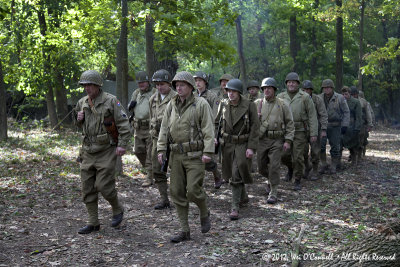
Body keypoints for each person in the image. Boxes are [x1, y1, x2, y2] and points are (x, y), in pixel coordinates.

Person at [157, 71, 214, 243]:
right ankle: (184, 230)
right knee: (176, 192)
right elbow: (164, 129)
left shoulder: (201, 104)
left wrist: (208, 152)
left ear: (190, 87)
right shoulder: (171, 105)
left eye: (182, 85)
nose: (179, 88)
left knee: (193, 190)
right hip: (176, 155)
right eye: (177, 85)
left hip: (195, 155)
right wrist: (161, 149)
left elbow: (208, 129)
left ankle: (204, 211)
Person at [74, 70, 131, 234]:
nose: (87, 88)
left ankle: (117, 208)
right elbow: (80, 126)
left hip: (106, 150)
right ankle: (93, 222)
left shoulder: (111, 101)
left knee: (104, 185)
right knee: (87, 187)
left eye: (90, 85)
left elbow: (124, 124)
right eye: (84, 85)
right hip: (87, 150)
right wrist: (78, 120)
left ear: (98, 85)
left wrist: (122, 145)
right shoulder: (82, 103)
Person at [215, 78, 259, 219]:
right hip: (226, 144)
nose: (231, 94)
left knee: (236, 172)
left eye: (234, 91)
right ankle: (243, 196)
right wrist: (215, 138)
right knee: (231, 173)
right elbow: (217, 123)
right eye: (228, 91)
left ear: (239, 92)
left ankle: (234, 206)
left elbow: (255, 127)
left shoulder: (249, 105)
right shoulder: (223, 104)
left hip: (242, 143)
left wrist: (251, 147)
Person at [255, 77, 294, 204]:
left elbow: (290, 123)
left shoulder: (282, 104)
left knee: (274, 166)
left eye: (269, 88)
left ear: (274, 90)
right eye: (264, 88)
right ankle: (271, 180)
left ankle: (274, 192)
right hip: (262, 140)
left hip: (277, 139)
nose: (266, 90)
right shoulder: (257, 104)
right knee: (261, 168)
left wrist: (288, 140)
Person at [277, 72, 318, 191]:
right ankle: (290, 168)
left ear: (298, 84)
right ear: (286, 84)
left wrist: (313, 133)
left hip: (300, 131)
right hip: (285, 131)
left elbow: (312, 115)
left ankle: (297, 179)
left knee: (298, 157)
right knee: (283, 155)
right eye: (289, 82)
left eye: (293, 82)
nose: (291, 84)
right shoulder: (280, 96)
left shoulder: (305, 97)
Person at [149, 69, 177, 209]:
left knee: (175, 169)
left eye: (162, 84)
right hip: (156, 139)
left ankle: (178, 198)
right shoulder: (153, 99)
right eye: (157, 84)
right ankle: (164, 199)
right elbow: (151, 117)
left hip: (172, 140)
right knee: (157, 169)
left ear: (169, 84)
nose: (159, 87)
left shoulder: (176, 98)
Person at [194, 71, 223, 189]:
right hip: (194, 130)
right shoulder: (192, 95)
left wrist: (214, 135)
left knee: (207, 158)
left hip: (208, 129)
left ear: (205, 82)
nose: (197, 83)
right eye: (196, 81)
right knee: (196, 156)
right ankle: (196, 182)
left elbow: (215, 117)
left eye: (200, 81)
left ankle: (216, 174)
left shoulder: (212, 97)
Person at [128, 71, 156, 187]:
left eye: (143, 82)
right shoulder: (136, 93)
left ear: (148, 82)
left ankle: (149, 177)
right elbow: (130, 108)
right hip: (138, 127)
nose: (141, 85)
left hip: (150, 127)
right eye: (139, 83)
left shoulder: (154, 92)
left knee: (150, 153)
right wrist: (131, 105)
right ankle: (152, 170)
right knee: (138, 151)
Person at [319, 79, 350, 174]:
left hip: (335, 125)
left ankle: (334, 165)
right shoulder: (319, 98)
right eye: (325, 88)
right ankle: (323, 163)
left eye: (328, 88)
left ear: (332, 88)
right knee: (320, 146)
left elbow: (346, 112)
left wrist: (345, 125)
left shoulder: (340, 98)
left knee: (336, 147)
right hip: (322, 125)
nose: (327, 89)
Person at [301, 80, 328, 180]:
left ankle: (315, 170)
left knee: (315, 151)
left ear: (311, 90)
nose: (306, 91)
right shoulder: (298, 98)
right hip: (302, 128)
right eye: (304, 89)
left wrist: (323, 129)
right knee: (302, 151)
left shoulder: (317, 99)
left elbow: (323, 114)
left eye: (308, 89)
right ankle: (307, 166)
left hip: (315, 127)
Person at [341, 86, 362, 166]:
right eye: (342, 94)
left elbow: (358, 116)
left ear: (350, 94)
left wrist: (357, 128)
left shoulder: (356, 102)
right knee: (339, 144)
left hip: (352, 126)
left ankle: (354, 161)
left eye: (346, 94)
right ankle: (337, 162)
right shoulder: (339, 101)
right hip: (342, 126)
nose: (344, 96)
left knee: (353, 145)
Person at [353, 88, 373, 159]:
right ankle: (354, 155)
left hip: (362, 124)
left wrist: (370, 124)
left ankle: (359, 155)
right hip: (352, 124)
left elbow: (369, 113)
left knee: (362, 140)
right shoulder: (347, 100)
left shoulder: (364, 102)